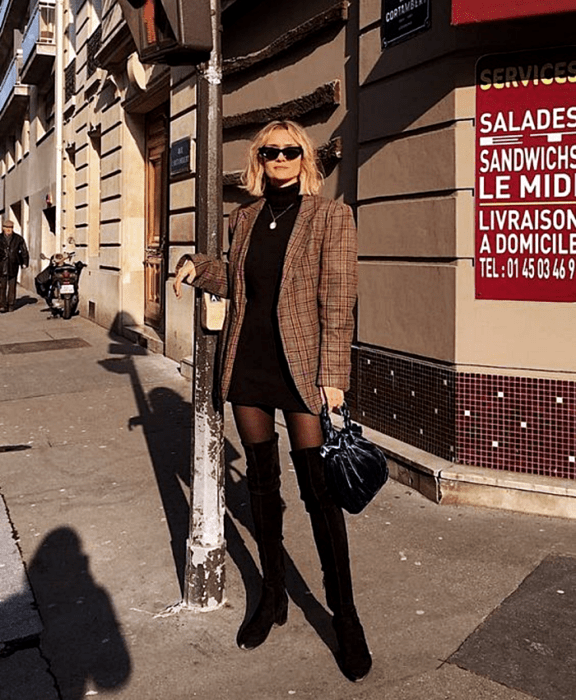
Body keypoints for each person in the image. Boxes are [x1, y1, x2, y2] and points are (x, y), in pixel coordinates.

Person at [173, 120, 370, 682]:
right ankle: (274, 597)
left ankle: (346, 618)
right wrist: (201, 268)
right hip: (250, 362)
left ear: (303, 157)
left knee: (318, 491)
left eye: (290, 150)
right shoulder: (245, 217)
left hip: (305, 369)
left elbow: (338, 298)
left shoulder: (331, 215)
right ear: (259, 159)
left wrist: (335, 374)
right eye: (270, 150)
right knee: (262, 486)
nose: (280, 157)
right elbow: (241, 282)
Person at [0, 219, 29, 313]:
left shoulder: (18, 239)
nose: (8, 229)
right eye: (6, 227)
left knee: (12, 285)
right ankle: (2, 305)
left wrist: (24, 262)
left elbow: (24, 251)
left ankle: (11, 304)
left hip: (13, 264)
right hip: (1, 264)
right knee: (2, 286)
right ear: (3, 228)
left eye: (10, 227)